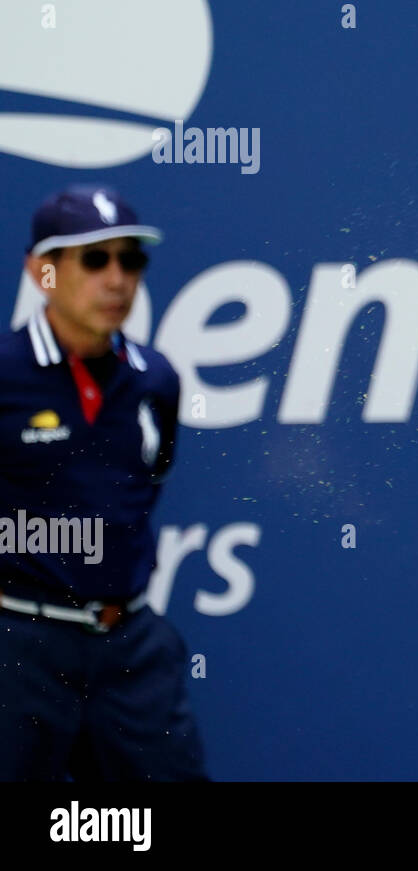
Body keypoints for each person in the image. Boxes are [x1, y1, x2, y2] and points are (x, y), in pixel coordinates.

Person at [0, 184, 206, 781]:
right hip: (19, 648)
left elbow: (152, 477)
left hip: (132, 648)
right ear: (43, 272)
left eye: (130, 259)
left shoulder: (156, 377)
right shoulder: (5, 374)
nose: (117, 279)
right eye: (94, 259)